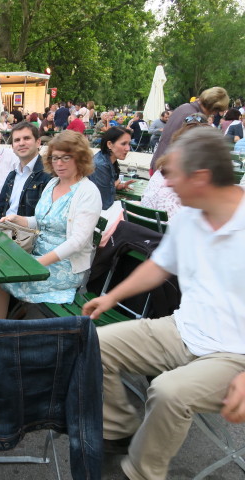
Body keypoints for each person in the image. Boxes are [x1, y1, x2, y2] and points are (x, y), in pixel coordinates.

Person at [82, 128, 245, 480]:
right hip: (183, 329)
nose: (166, 185)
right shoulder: (190, 213)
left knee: (169, 391)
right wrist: (111, 296)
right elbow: (160, 265)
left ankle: (140, 472)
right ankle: (120, 433)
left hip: (236, 354)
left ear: (201, 178)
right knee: (92, 343)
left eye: (174, 175)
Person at [0, 130, 101, 318]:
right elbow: (41, 221)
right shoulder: (53, 183)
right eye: (55, 158)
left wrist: (39, 263)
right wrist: (19, 219)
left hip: (64, 267)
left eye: (66, 157)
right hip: (37, 255)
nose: (59, 163)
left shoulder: (88, 192)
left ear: (80, 158)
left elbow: (78, 242)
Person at [151, 86, 230, 173]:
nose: (215, 114)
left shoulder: (184, 107)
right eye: (217, 111)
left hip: (159, 164)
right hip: (168, 171)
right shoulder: (195, 118)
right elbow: (193, 152)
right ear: (214, 108)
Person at [0, 122, 52, 222]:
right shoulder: (12, 175)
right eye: (17, 140)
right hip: (4, 228)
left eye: (26, 138)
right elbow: (0, 209)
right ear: (12, 147)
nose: (21, 143)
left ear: (38, 142)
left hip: (27, 234)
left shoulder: (48, 174)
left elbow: (48, 218)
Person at [89, 127, 135, 210]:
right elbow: (105, 203)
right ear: (109, 144)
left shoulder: (106, 159)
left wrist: (118, 186)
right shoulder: (100, 165)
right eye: (123, 144)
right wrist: (115, 184)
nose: (128, 148)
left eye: (129, 144)